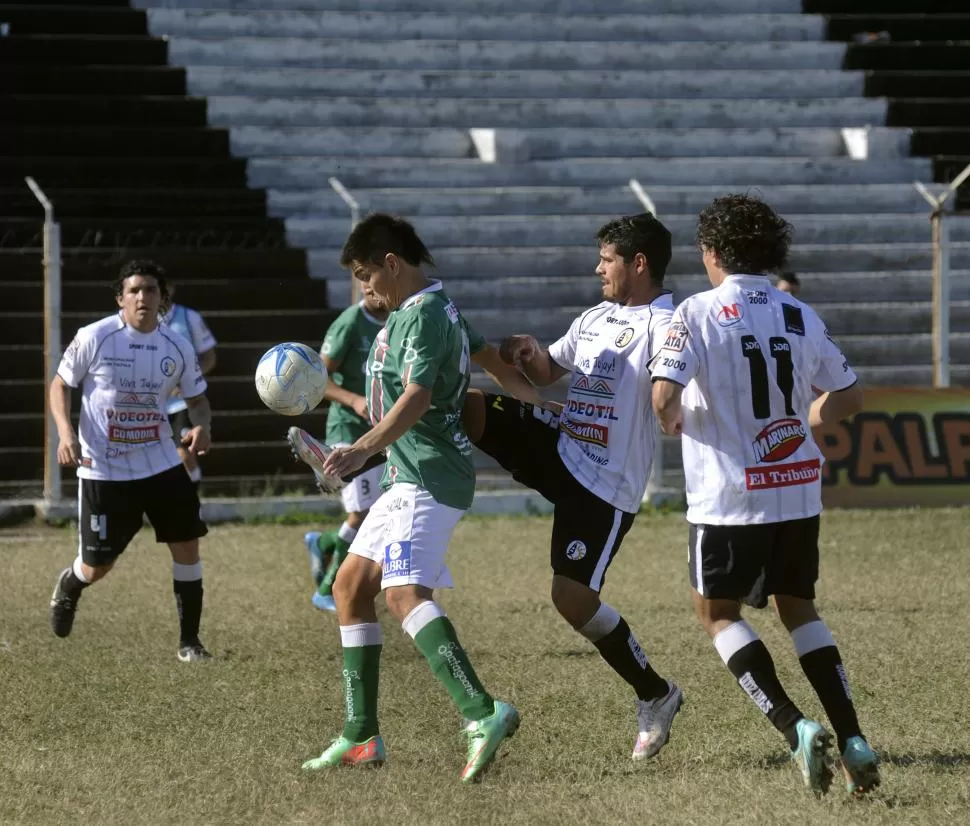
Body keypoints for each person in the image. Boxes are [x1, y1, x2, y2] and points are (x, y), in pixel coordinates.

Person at [293, 214, 543, 781]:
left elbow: (417, 397)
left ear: (392, 264)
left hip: (430, 477)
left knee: (404, 594)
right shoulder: (428, 307)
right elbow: (490, 359)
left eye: (365, 275)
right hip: (407, 477)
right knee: (349, 588)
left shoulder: (426, 314)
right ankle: (360, 736)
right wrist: (539, 405)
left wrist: (359, 449)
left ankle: (483, 713)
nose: (365, 289)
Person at [651, 195, 879, 796]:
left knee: (716, 612)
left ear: (713, 253)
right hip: (797, 489)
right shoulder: (798, 312)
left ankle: (795, 727)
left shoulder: (696, 313)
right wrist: (807, 416)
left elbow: (662, 397)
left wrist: (670, 419)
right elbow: (851, 398)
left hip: (729, 495)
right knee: (798, 606)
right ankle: (854, 738)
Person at [460, 213, 684, 762]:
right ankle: (393, 467)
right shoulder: (595, 317)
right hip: (560, 444)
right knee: (468, 407)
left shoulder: (669, 323)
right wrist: (529, 353)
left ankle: (656, 693)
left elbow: (677, 384)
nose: (597, 268)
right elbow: (547, 372)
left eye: (606, 259)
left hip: (604, 488)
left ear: (639, 263)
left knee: (571, 598)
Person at [48, 259, 214, 662]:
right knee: (97, 566)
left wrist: (203, 426)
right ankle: (72, 582)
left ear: (162, 298)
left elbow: (196, 399)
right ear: (121, 298)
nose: (143, 297)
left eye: (151, 290)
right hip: (104, 469)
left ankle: (189, 643)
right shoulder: (96, 337)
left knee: (187, 545)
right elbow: (60, 385)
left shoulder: (177, 346)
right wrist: (66, 434)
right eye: (134, 290)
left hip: (160, 463)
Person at [297, 281, 388, 612]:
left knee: (378, 512)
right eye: (359, 276)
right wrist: (354, 400)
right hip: (348, 430)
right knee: (362, 514)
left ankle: (322, 542)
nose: (366, 284)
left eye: (371, 274)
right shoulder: (351, 322)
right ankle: (326, 589)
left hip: (383, 433)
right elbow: (319, 380)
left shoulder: (401, 320)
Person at [161, 285, 217, 488]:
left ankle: (194, 496)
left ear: (171, 289)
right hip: (150, 404)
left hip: (182, 403)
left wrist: (188, 378)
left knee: (183, 453)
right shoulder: (137, 321)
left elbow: (209, 357)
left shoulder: (189, 317)